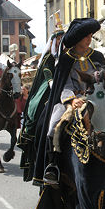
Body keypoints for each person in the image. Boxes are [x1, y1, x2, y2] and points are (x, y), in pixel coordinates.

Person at [33, 18, 105, 186]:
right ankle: (53, 165)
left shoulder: (98, 56)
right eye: (86, 36)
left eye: (90, 36)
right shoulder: (65, 59)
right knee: (53, 125)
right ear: (77, 39)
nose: (89, 39)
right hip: (71, 100)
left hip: (98, 98)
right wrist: (71, 99)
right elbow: (63, 83)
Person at [18, 29, 64, 182]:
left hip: (66, 85)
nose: (60, 42)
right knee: (38, 105)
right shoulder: (49, 56)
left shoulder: (66, 55)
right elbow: (46, 69)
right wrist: (51, 81)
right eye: (58, 39)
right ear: (53, 41)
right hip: (48, 84)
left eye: (62, 39)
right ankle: (32, 129)